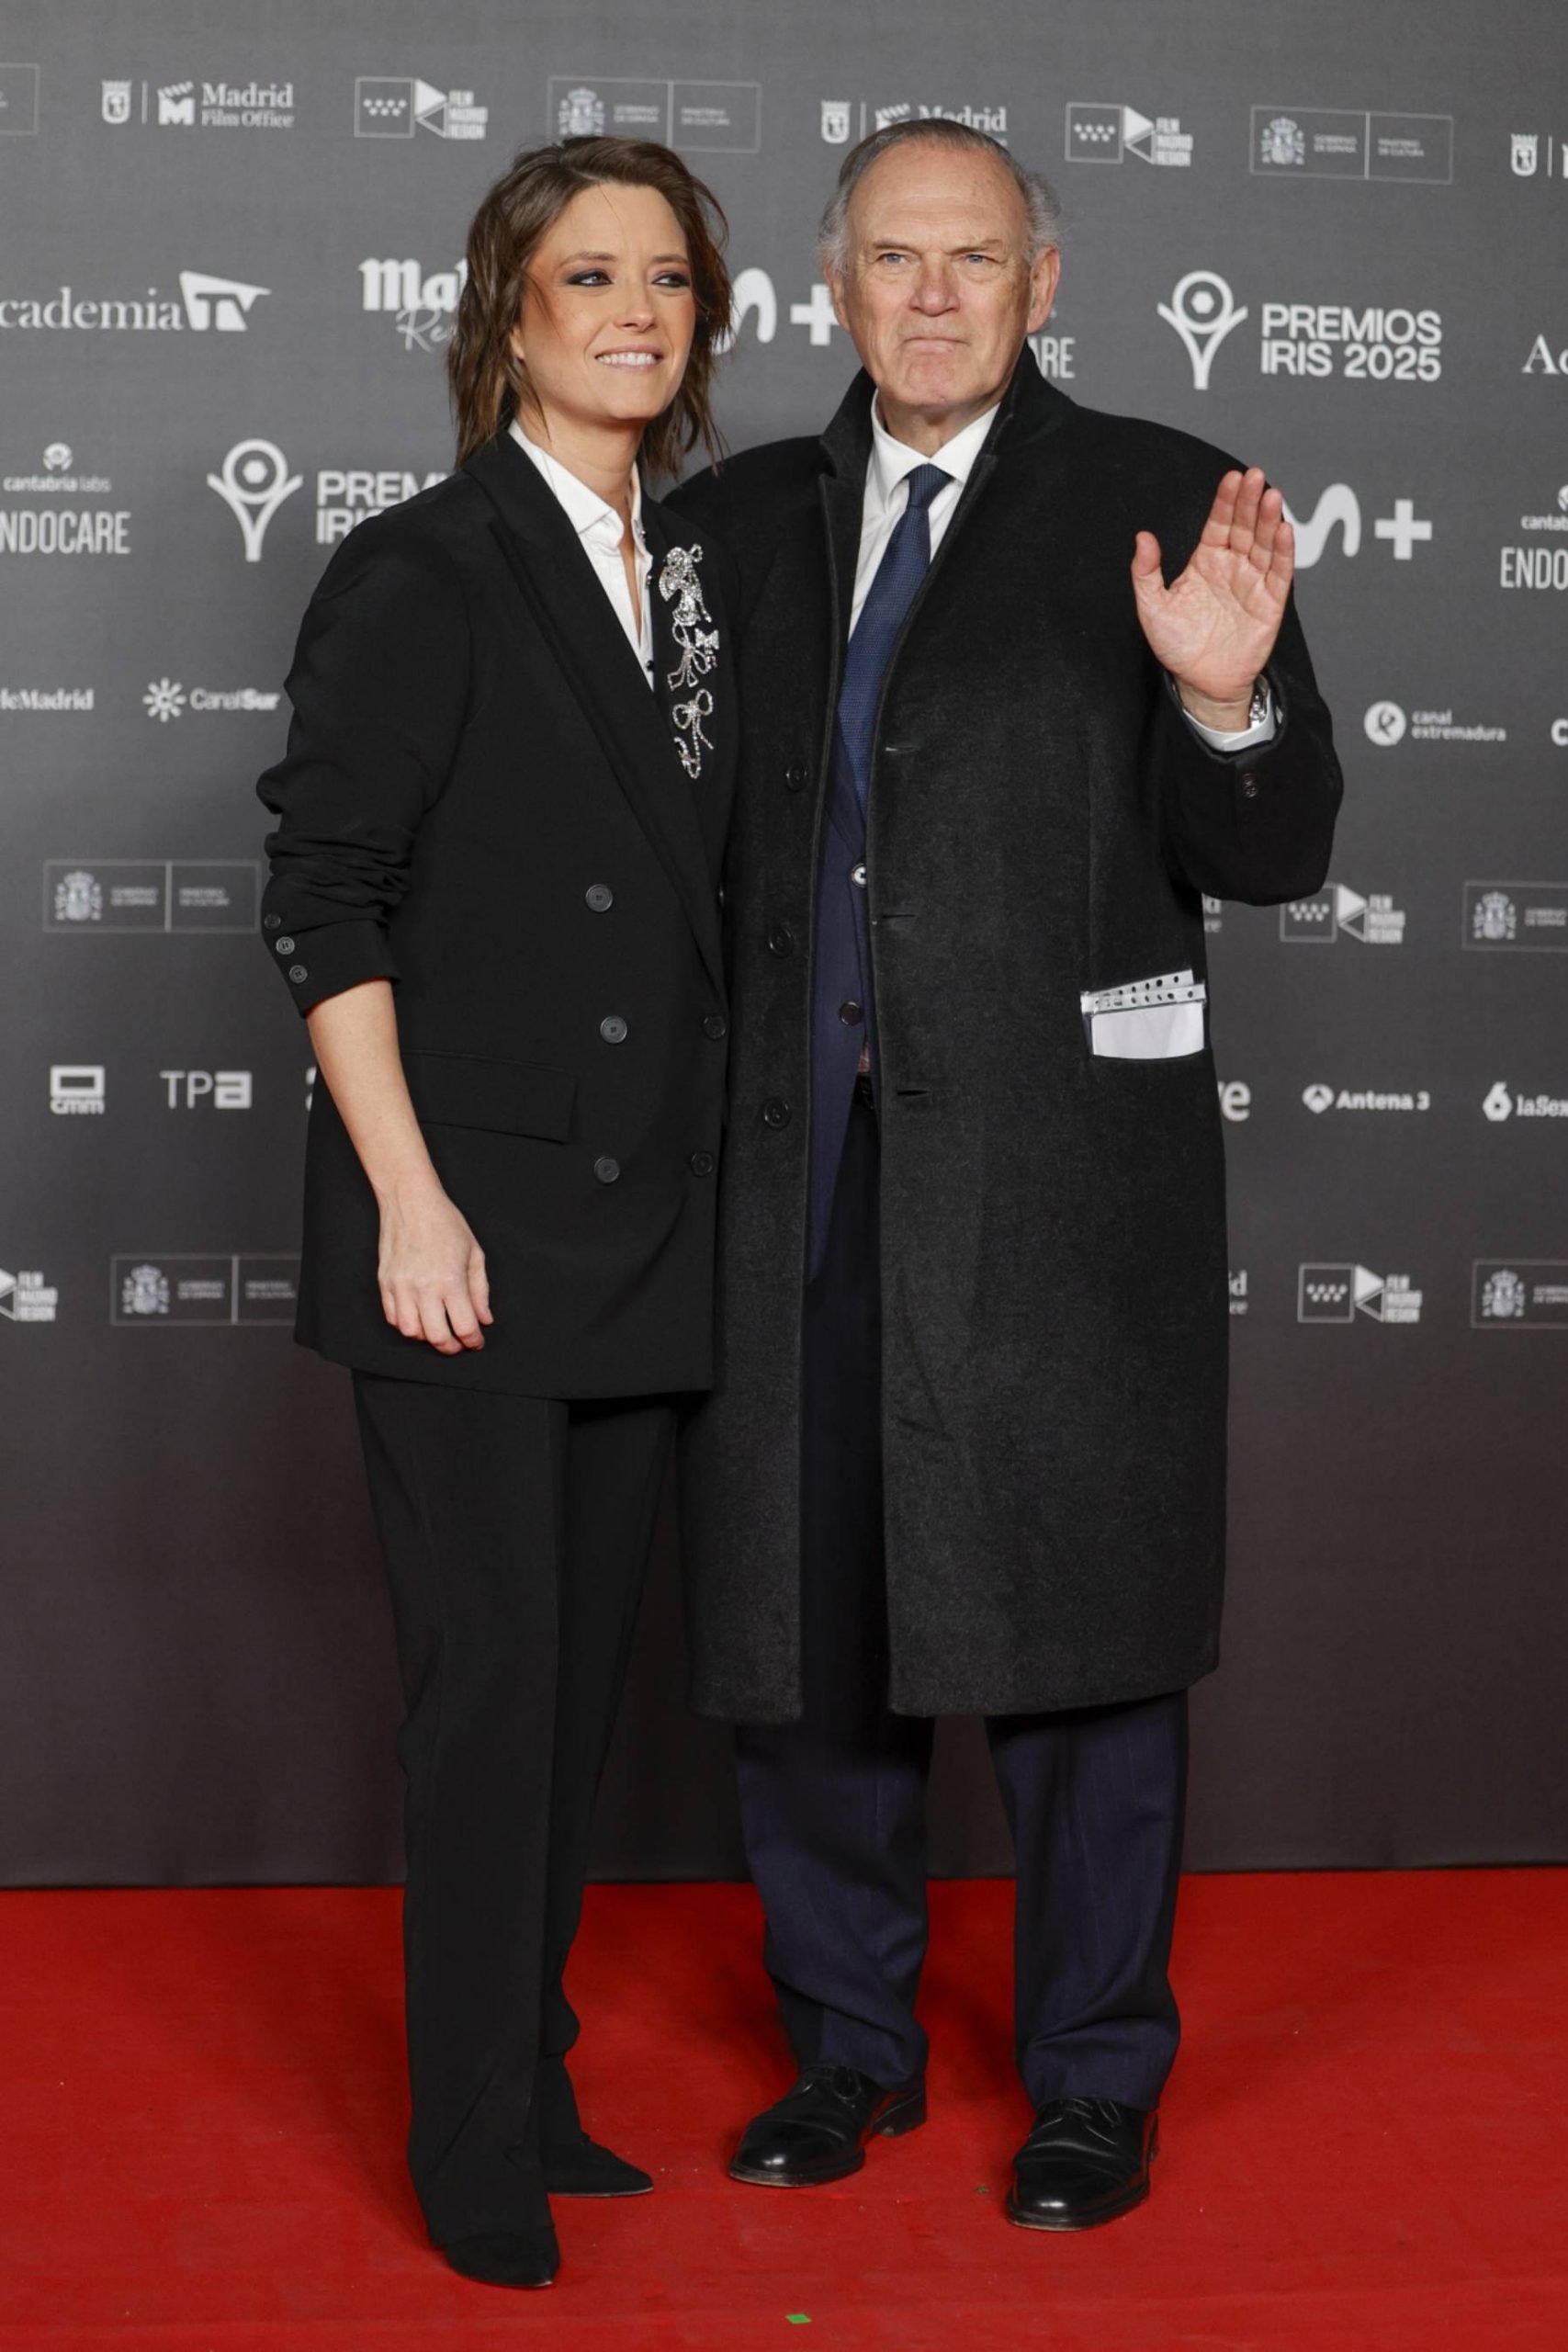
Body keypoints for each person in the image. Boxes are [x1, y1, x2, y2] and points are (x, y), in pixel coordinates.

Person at [669, 119, 1340, 2231]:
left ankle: (1089, 2081)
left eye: (975, 256)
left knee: (1078, 1642)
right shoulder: (728, 527)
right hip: (794, 1190)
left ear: (1042, 283)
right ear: (830, 283)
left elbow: (1273, 849)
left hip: (1061, 1198)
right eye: (894, 256)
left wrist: (1224, 702)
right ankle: (844, 2053)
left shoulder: (1158, 497)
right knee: (812, 1644)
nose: (934, 293)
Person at [256, 139, 735, 2290]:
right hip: (465, 1236)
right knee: (483, 1705)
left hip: (648, 1234)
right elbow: (324, 900)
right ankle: (465, 2141)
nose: (631, 309)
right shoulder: (423, 566)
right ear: (506, 309)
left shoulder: (701, 568)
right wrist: (407, 1198)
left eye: (664, 277)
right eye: (585, 274)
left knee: (570, 1714)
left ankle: (529, 2079)